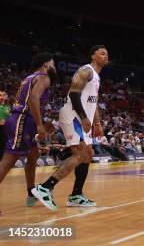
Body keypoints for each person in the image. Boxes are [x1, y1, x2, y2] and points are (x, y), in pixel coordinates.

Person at [32, 45, 109, 211]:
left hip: (83, 119)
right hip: (74, 116)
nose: (105, 56)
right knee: (82, 154)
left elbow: (93, 102)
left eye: (107, 54)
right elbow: (74, 93)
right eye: (102, 53)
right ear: (93, 56)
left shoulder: (96, 76)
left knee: (88, 155)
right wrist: (83, 117)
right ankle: (45, 187)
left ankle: (76, 195)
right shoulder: (86, 71)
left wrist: (97, 123)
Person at [0, 53, 56, 215]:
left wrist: (40, 123)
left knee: (33, 154)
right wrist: (39, 125)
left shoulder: (29, 77)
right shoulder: (44, 76)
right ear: (46, 64)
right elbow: (33, 99)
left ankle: (31, 191)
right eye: (52, 63)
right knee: (8, 161)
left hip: (22, 120)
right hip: (22, 120)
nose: (54, 66)